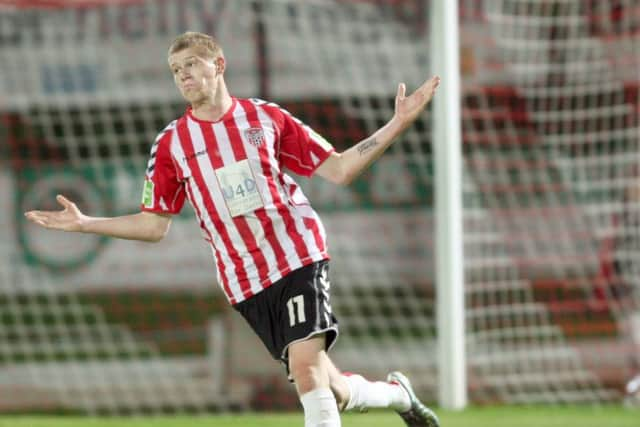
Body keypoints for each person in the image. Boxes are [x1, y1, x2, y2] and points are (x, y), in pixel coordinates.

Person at [25, 31, 441, 427]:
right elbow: (154, 226)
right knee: (330, 387)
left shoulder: (266, 118)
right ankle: (398, 395)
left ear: (219, 64)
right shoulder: (172, 144)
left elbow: (341, 169)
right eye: (175, 70)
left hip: (297, 253)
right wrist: (85, 224)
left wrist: (397, 124)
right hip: (245, 281)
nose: (183, 75)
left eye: (191, 64)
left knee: (306, 369)